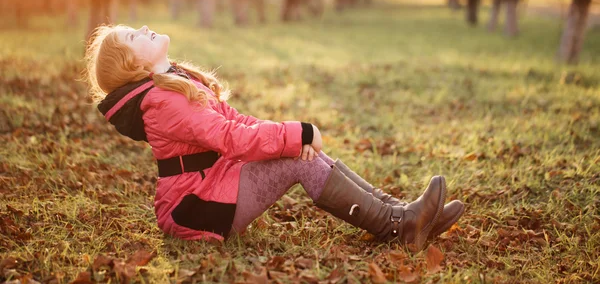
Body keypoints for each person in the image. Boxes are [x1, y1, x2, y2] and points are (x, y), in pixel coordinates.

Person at [84, 24, 464, 250]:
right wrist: (295, 134)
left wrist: (289, 133)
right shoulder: (163, 101)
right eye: (134, 35)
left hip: (216, 182)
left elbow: (237, 120)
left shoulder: (177, 83)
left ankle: (401, 215)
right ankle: (398, 226)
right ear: (134, 64)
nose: (144, 28)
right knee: (296, 159)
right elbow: (231, 136)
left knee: (297, 152)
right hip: (195, 207)